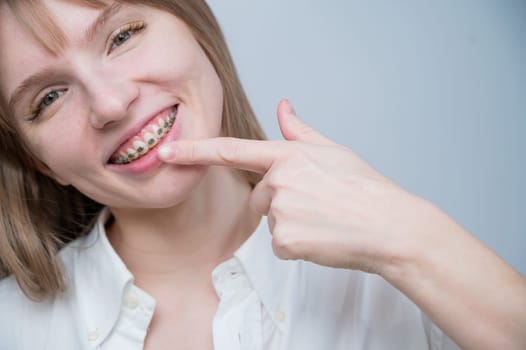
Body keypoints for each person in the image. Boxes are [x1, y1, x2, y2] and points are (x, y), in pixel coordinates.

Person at [0, 1, 524, 349]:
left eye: (122, 36)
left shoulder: (393, 280)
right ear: (41, 162)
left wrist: (407, 240)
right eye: (49, 98)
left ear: (195, 28)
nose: (110, 103)